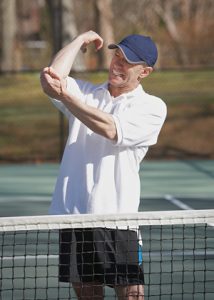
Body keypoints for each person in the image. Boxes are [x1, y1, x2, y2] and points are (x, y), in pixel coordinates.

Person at [40, 30, 167, 300]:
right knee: (87, 294)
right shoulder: (88, 92)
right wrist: (79, 40)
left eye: (127, 62)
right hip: (74, 213)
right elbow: (51, 78)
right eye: (117, 56)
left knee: (132, 294)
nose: (117, 64)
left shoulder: (152, 107)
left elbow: (111, 129)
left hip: (117, 217)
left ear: (144, 72)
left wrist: (69, 99)